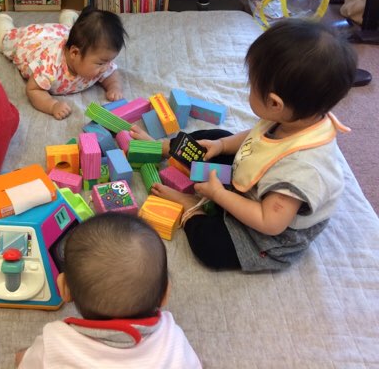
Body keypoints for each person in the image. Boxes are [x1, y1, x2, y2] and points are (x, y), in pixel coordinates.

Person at [130, 19, 358, 271]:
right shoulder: (298, 115)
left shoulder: (300, 172)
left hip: (267, 231)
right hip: (256, 181)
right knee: (215, 136)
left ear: (275, 104)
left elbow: (270, 222)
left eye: (251, 86)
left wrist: (219, 195)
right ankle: (162, 148)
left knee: (211, 247)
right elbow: (257, 136)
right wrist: (221, 145)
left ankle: (190, 206)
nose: (248, 89)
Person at [16, 212, 202, 368]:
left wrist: (24, 358)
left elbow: (25, 364)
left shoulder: (53, 343)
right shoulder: (172, 339)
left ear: (64, 288)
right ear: (165, 293)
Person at [0, 7, 127, 120]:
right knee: (7, 40)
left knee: (70, 30)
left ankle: (69, 17)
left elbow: (111, 74)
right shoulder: (49, 67)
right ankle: (0, 21)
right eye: (101, 63)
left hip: (61, 33)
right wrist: (52, 105)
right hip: (33, 41)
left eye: (109, 61)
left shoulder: (96, 58)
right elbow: (33, 89)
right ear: (74, 53)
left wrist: (114, 87)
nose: (106, 68)